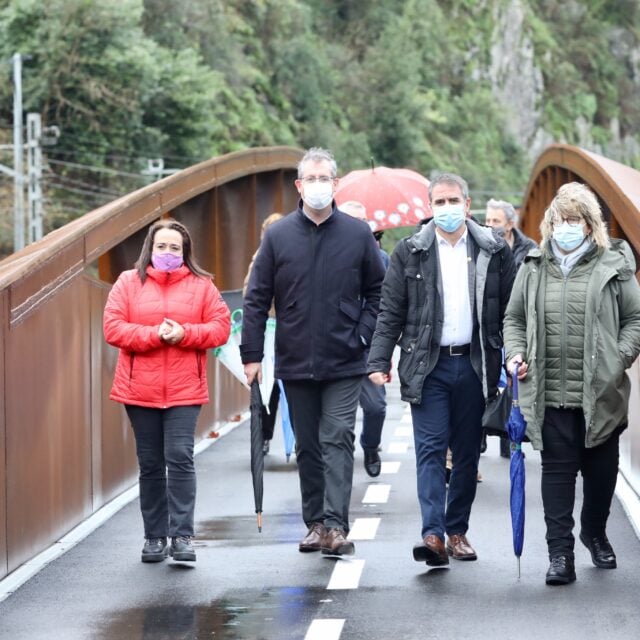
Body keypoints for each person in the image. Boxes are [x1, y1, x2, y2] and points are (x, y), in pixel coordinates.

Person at [241, 147, 385, 556]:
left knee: (337, 436)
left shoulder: (357, 234)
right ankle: (315, 523)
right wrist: (252, 355)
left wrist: (362, 334)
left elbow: (379, 291)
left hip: (345, 359)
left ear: (335, 184)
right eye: (311, 179)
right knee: (308, 444)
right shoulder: (279, 235)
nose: (319, 186)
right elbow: (256, 298)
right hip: (294, 358)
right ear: (299, 186)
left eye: (326, 178)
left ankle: (337, 526)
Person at [368, 172, 516, 567]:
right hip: (428, 365)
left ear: (468, 206)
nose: (447, 209)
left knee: (467, 452)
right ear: (430, 207)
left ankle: (457, 531)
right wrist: (379, 360)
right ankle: (432, 534)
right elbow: (391, 311)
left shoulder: (493, 250)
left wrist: (515, 354)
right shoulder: (410, 251)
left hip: (474, 363)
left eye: (454, 201)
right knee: (431, 450)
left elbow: (509, 311)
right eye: (440, 202)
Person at [503, 182, 640, 586]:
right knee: (557, 476)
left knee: (601, 478)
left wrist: (620, 358)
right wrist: (514, 353)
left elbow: (635, 318)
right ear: (548, 223)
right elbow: (512, 319)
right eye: (560, 219)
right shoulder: (532, 266)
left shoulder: (613, 264)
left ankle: (594, 531)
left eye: (574, 220)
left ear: (589, 224)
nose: (566, 227)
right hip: (550, 397)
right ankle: (559, 555)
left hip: (601, 394)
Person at [103, 219, 231, 563]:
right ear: (150, 248)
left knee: (180, 457)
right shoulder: (128, 283)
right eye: (162, 246)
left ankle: (183, 536)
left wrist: (185, 333)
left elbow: (221, 327)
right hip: (138, 389)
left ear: (185, 252)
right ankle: (155, 537)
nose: (168, 253)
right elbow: (113, 328)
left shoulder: (203, 286)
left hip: (184, 389)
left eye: (176, 248)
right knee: (150, 464)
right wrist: (154, 335)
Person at [485, 198, 538, 458]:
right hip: (488, 324)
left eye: (496, 220)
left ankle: (511, 433)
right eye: (488, 220)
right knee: (487, 380)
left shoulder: (530, 249)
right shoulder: (481, 245)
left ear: (509, 223)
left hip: (517, 324)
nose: (490, 225)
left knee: (513, 378)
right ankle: (483, 429)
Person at [340, 200, 389, 477]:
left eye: (363, 222)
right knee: (339, 416)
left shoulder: (381, 259)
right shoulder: (326, 255)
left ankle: (371, 445)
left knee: (376, 407)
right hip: (337, 346)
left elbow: (389, 301)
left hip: (368, 345)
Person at [243, 212, 286, 455]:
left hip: (290, 329)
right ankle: (263, 436)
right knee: (268, 387)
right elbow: (252, 296)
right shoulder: (260, 259)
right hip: (271, 331)